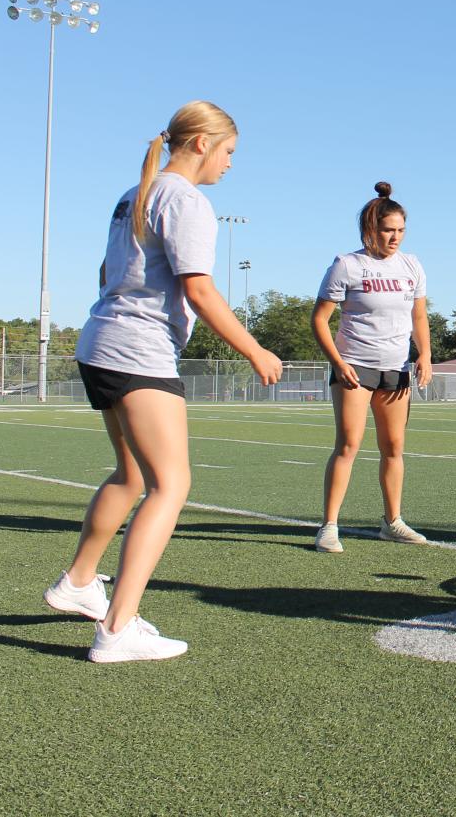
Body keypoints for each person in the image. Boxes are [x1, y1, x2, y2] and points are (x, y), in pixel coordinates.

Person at [44, 101, 283, 663]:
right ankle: (116, 628)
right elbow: (199, 289)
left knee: (131, 475)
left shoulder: (137, 192)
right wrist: (255, 350)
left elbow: (107, 273)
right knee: (170, 486)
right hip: (138, 352)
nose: (229, 164)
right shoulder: (187, 201)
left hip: (100, 342)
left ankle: (79, 583)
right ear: (200, 142)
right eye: (229, 152)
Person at [310, 182, 432, 552]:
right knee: (348, 445)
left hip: (396, 369)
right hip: (354, 368)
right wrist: (338, 362)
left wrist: (424, 354)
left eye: (400, 230)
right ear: (370, 229)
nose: (394, 237)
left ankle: (392, 522)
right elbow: (319, 320)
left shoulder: (411, 265)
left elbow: (419, 315)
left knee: (393, 447)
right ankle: (329, 527)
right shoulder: (347, 265)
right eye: (387, 230)